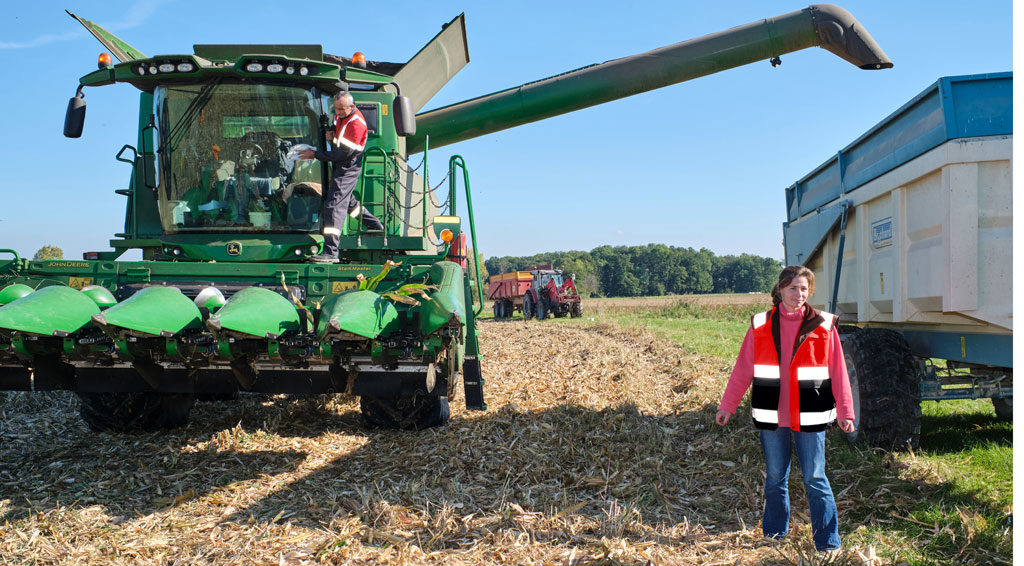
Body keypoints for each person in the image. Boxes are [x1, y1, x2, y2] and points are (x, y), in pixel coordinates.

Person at [715, 265, 855, 553]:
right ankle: (774, 536)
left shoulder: (824, 325)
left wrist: (846, 411)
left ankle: (828, 543)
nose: (799, 294)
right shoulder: (760, 324)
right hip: (772, 416)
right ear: (779, 290)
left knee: (815, 478)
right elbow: (743, 369)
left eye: (804, 288)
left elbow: (838, 371)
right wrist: (727, 406)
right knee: (776, 478)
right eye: (793, 288)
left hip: (811, 416)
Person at [299, 91, 383, 263]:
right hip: (342, 164)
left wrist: (315, 154)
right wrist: (332, 133)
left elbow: (342, 154)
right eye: (335, 109)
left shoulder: (356, 125)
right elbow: (339, 138)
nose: (337, 113)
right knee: (348, 202)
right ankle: (375, 225)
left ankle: (331, 252)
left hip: (348, 167)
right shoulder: (341, 114)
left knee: (334, 205)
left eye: (341, 110)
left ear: (351, 107)